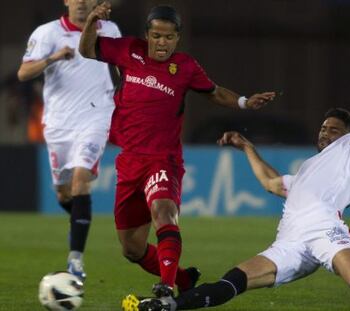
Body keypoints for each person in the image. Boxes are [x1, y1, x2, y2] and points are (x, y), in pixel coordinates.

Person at [134, 37, 350, 311]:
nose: (325, 132)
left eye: (333, 129)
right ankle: (168, 305)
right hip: (289, 241)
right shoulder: (307, 169)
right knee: (234, 279)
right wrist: (247, 147)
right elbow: (271, 182)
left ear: (348, 135)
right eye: (323, 127)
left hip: (325, 231)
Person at [78, 1, 277, 304]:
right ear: (147, 35)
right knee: (131, 248)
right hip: (130, 161)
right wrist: (91, 21)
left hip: (163, 159)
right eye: (156, 36)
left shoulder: (184, 66)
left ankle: (166, 286)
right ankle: (185, 279)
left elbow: (215, 92)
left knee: (164, 211)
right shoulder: (128, 50)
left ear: (177, 38)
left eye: (168, 37)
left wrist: (244, 102)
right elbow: (87, 50)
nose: (162, 43)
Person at [17, 0, 121, 280]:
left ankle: (75, 261)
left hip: (96, 116)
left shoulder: (109, 28)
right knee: (64, 193)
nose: (83, 3)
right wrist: (52, 58)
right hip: (59, 124)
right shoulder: (47, 33)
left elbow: (123, 66)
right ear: (67, 0)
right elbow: (23, 73)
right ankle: (78, 220)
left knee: (80, 179)